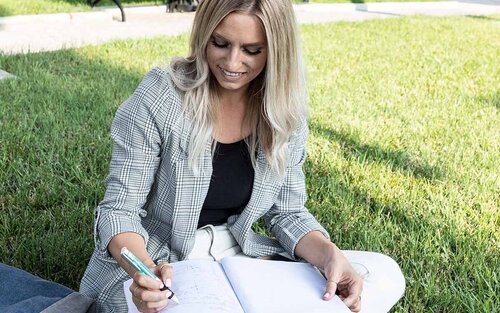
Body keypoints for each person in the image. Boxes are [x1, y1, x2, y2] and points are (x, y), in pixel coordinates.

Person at [80, 0, 405, 312]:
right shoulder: (161, 95)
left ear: (276, 51)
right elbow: (118, 212)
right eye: (220, 44)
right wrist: (144, 274)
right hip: (161, 261)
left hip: (238, 255)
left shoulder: (283, 113)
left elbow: (288, 212)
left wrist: (328, 254)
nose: (233, 63)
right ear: (204, 33)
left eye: (251, 50)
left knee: (383, 273)